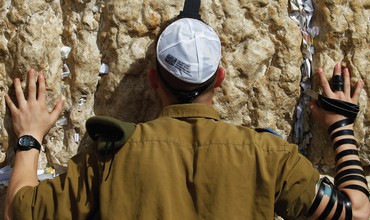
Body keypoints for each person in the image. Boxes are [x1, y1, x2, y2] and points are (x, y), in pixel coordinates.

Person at [4, 6, 370, 220]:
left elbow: (22, 210)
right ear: (221, 78)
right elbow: (357, 211)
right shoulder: (269, 158)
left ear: (151, 79)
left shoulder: (111, 156)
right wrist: (340, 126)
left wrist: (29, 136)